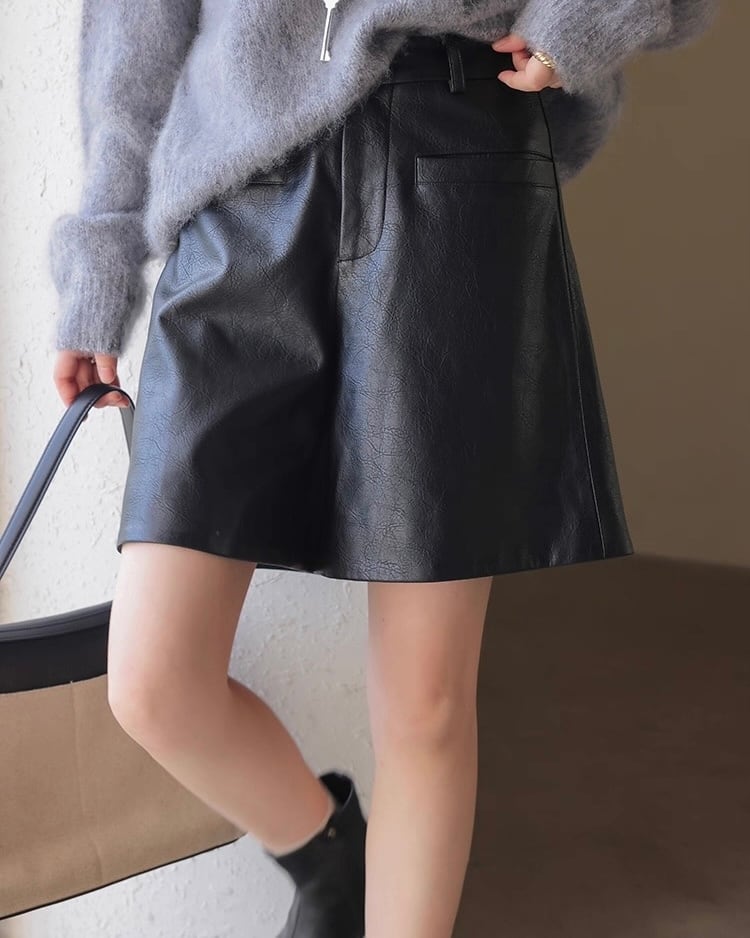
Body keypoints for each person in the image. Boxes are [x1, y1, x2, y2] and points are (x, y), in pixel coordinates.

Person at [47, 2, 718, 936]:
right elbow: (135, 31)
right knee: (154, 683)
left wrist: (587, 18)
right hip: (237, 199)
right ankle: (335, 864)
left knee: (426, 703)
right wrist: (103, 257)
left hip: (457, 158)